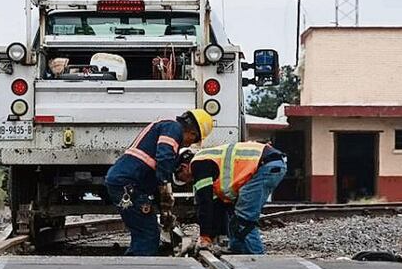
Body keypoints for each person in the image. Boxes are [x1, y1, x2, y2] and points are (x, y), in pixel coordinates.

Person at [104, 109, 214, 255]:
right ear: (192, 133)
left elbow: (155, 170)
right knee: (147, 235)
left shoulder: (164, 127)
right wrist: (166, 189)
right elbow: (164, 158)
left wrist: (164, 210)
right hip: (129, 184)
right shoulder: (173, 128)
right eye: (192, 142)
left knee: (144, 233)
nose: (187, 145)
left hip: (128, 183)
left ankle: (132, 266)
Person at [176, 141, 287, 254]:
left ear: (183, 167)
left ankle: (257, 258)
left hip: (264, 166)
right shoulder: (208, 162)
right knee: (235, 217)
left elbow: (205, 202)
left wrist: (204, 236)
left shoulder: (198, 164)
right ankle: (237, 252)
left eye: (181, 179)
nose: (186, 182)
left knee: (244, 219)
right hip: (268, 165)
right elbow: (217, 207)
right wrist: (211, 235)